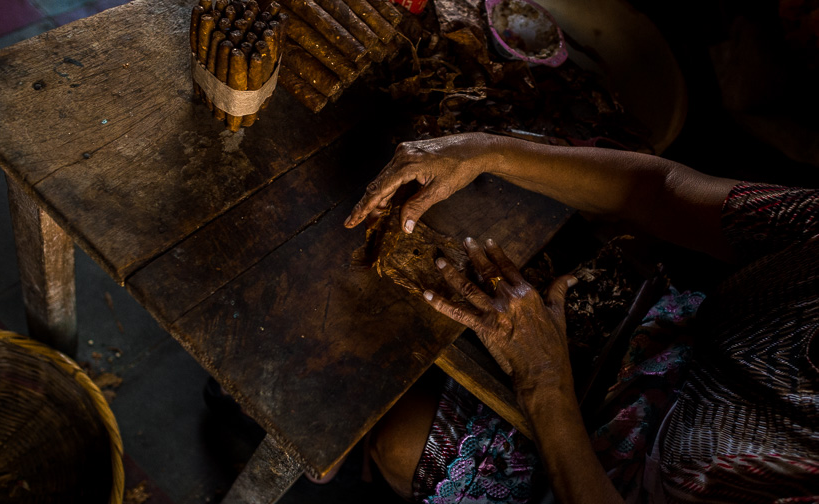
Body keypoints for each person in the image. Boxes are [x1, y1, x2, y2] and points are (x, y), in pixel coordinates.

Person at [343, 132, 819, 503]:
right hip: (655, 340)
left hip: (603, 478)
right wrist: (484, 150)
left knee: (401, 439)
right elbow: (658, 192)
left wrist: (545, 382)